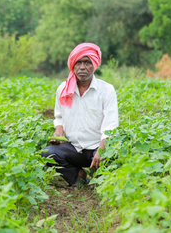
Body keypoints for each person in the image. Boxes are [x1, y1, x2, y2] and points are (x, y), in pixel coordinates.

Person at [41, 43, 119, 187]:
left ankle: (99, 177)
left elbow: (111, 124)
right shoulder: (63, 89)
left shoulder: (106, 90)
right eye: (78, 62)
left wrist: (102, 148)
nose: (82, 67)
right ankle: (78, 176)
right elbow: (59, 116)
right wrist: (59, 130)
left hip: (98, 148)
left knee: (115, 157)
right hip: (74, 148)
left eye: (87, 62)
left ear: (94, 65)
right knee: (49, 153)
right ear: (73, 65)